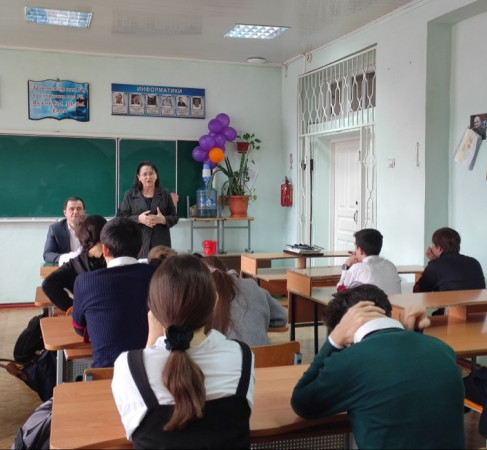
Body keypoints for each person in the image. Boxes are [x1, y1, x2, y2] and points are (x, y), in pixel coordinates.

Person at [290, 284, 465, 449]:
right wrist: (410, 335)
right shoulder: (443, 349)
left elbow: (302, 403)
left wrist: (334, 340)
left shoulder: (350, 361)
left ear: (346, 333)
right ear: (388, 313)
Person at [111, 254, 255, 448]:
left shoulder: (128, 366)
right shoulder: (242, 357)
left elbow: (135, 426)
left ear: (153, 310)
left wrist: (152, 341)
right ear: (215, 302)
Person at [72, 217, 157, 368]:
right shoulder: (158, 275)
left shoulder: (84, 282)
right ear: (140, 249)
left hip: (106, 373)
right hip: (149, 371)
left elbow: (79, 329)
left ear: (104, 249)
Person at [202, 255, 288, 346]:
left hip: (226, 353)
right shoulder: (251, 285)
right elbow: (282, 317)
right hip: (261, 353)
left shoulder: (203, 294)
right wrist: (258, 321)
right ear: (227, 270)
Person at [42, 214, 107, 311]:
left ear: (79, 235)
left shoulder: (76, 264)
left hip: (88, 317)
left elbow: (48, 285)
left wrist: (75, 309)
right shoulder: (115, 259)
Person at [116, 161, 179, 258]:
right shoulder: (130, 195)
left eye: (151, 173)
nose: (148, 177)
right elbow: (120, 218)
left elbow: (174, 217)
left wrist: (163, 220)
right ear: (139, 177)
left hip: (160, 246)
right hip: (137, 244)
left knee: (161, 267)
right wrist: (138, 219)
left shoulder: (165, 194)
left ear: (156, 176)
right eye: (144, 174)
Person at [414, 227, 485, 293]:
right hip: (479, 303)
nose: (431, 247)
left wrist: (433, 261)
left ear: (439, 248)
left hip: (450, 303)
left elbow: (418, 291)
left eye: (433, 244)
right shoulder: (474, 262)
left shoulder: (435, 265)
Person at [337, 228, 401, 294]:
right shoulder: (390, 265)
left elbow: (341, 291)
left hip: (373, 301)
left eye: (356, 247)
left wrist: (347, 265)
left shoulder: (357, 268)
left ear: (361, 250)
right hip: (395, 301)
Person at [43, 196, 86, 264]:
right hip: (66, 266)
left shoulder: (91, 228)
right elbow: (47, 254)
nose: (75, 212)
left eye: (79, 209)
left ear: (84, 212)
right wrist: (66, 258)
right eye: (71, 209)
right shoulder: (55, 229)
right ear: (65, 213)